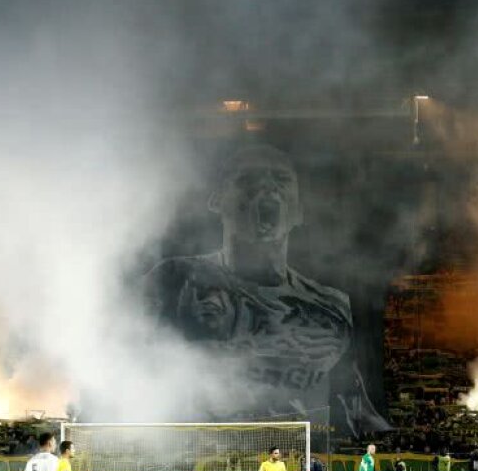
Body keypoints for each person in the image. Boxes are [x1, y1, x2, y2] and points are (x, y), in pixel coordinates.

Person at [145, 145, 386, 435]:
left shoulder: (331, 307)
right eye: (248, 179)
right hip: (197, 453)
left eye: (281, 180)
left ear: (298, 212)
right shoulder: (178, 278)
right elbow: (121, 354)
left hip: (293, 454)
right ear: (217, 200)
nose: (267, 188)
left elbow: (355, 405)